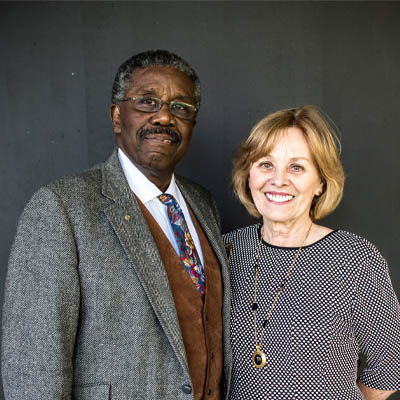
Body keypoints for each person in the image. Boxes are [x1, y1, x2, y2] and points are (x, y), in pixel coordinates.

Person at [2, 50, 232, 400]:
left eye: (181, 107)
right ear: (116, 116)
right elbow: (33, 366)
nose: (165, 117)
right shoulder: (61, 207)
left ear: (193, 124)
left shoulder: (203, 204)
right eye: (147, 101)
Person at [224, 105, 400, 399]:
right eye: (265, 164)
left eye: (297, 167)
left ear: (320, 182)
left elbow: (389, 366)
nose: (278, 180)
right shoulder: (226, 250)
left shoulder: (356, 259)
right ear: (248, 175)